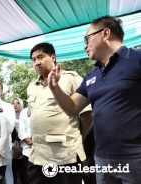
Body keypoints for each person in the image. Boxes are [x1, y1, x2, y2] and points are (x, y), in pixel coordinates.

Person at [48, 16, 141, 184]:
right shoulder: (91, 77)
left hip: (135, 158)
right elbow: (72, 108)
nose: (85, 46)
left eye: (87, 39)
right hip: (102, 160)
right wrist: (55, 88)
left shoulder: (137, 58)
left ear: (105, 33)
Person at [26, 43, 93, 184]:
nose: (37, 62)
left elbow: (87, 116)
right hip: (37, 156)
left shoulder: (71, 79)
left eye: (40, 57)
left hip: (64, 155)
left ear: (53, 57)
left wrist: (76, 138)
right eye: (33, 60)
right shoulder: (32, 86)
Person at [0, 80, 15, 184]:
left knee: (7, 174)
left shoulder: (8, 107)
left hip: (4, 146)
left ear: (2, 91)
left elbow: (10, 127)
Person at [11, 97, 26, 184]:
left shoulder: (26, 117)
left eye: (18, 103)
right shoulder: (9, 117)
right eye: (13, 103)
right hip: (11, 148)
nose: (15, 105)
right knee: (12, 174)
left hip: (24, 147)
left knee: (24, 174)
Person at [17, 107, 32, 184]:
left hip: (46, 150)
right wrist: (31, 143)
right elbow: (21, 131)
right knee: (28, 177)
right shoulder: (24, 111)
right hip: (28, 150)